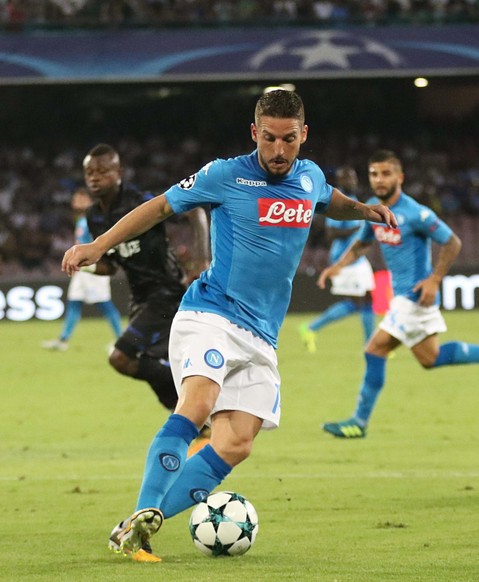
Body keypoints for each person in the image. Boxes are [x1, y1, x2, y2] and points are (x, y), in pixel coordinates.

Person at [62, 89, 396, 563]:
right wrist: (99, 244)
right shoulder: (225, 173)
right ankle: (144, 513)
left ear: (304, 135)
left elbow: (330, 199)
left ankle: (129, 529)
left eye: (289, 140)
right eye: (270, 140)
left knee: (236, 443)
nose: (279, 152)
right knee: (199, 402)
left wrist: (364, 209)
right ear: (254, 133)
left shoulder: (310, 176)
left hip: (262, 335)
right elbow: (159, 207)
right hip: (210, 315)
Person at [319, 149, 479, 440]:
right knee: (430, 358)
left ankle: (359, 422)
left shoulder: (416, 214)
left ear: (400, 177)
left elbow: (452, 242)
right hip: (404, 298)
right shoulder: (374, 210)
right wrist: (336, 267)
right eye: (374, 174)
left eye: (386, 173)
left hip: (414, 297)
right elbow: (363, 244)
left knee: (374, 349)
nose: (379, 179)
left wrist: (434, 280)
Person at [78, 143, 209, 413]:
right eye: (89, 172)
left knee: (121, 358)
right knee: (146, 361)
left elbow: (194, 210)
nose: (94, 177)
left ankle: (192, 410)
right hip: (140, 299)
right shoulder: (94, 217)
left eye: (102, 171)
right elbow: (110, 267)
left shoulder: (139, 201)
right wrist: (85, 264)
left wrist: (202, 260)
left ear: (119, 172)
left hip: (168, 293)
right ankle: (191, 415)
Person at [298, 166, 375, 352]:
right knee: (358, 302)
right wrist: (357, 230)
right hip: (344, 258)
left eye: (354, 178)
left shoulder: (354, 201)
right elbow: (331, 234)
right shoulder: (337, 203)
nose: (352, 182)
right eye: (348, 179)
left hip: (356, 258)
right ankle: (311, 328)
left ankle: (371, 344)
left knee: (365, 301)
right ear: (340, 182)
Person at [42, 187, 123, 351]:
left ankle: (121, 342)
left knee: (105, 304)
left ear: (89, 200)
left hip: (94, 268)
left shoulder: (96, 218)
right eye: (75, 199)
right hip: (81, 269)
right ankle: (63, 340)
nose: (76, 202)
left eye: (80, 198)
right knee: (74, 302)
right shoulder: (82, 219)